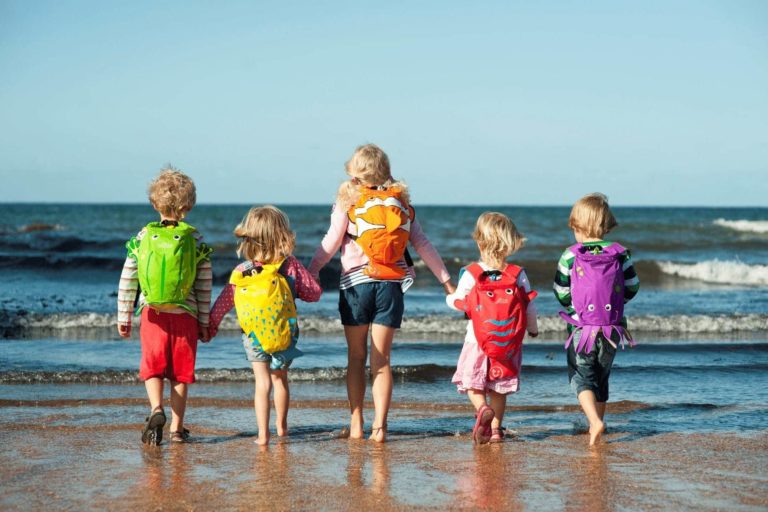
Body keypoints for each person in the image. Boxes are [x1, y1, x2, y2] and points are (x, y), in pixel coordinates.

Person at [308, 143, 455, 442]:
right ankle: (380, 428)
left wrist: (310, 272)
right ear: (385, 172)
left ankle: (356, 425)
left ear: (355, 173)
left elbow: (331, 241)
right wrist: (447, 281)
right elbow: (423, 244)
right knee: (382, 361)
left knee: (356, 357)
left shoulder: (347, 202)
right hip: (391, 287)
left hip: (355, 287)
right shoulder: (399, 203)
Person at [208, 205, 321, 446]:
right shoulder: (290, 265)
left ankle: (262, 434)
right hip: (284, 332)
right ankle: (281, 427)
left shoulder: (242, 270)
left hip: (253, 336)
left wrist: (211, 324)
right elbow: (314, 294)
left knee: (262, 383)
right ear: (282, 235)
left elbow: (225, 301)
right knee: (280, 379)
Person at [117, 165, 213, 445]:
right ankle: (177, 429)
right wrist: (204, 321)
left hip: (152, 313)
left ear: (154, 203)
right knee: (180, 374)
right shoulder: (194, 238)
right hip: (185, 315)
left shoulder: (144, 236)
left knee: (153, 368)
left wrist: (124, 315)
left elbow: (128, 277)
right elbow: (204, 283)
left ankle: (156, 409)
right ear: (188, 206)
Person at [554, 192, 639, 446]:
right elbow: (633, 287)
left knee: (581, 375)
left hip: (582, 330)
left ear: (578, 226)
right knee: (602, 376)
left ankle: (595, 422)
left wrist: (574, 311)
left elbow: (560, 291)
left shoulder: (570, 255)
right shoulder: (620, 252)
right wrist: (615, 304)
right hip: (613, 328)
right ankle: (598, 423)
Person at [447, 212, 538, 444]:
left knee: (472, 383)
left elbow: (459, 302)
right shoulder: (518, 274)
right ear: (511, 243)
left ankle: (481, 409)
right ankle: (496, 430)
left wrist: (449, 299)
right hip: (508, 343)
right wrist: (533, 329)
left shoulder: (472, 273)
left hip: (477, 341)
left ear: (479, 241)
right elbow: (529, 306)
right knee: (499, 389)